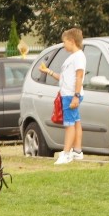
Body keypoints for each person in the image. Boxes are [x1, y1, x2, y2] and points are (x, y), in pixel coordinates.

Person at [40, 28, 85, 164]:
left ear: (72, 41)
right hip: (69, 94)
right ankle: (77, 151)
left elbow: (79, 77)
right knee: (76, 122)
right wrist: (48, 71)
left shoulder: (78, 57)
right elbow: (65, 78)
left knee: (69, 125)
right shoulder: (73, 57)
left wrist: (76, 96)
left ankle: (66, 153)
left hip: (71, 95)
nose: (63, 45)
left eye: (64, 42)